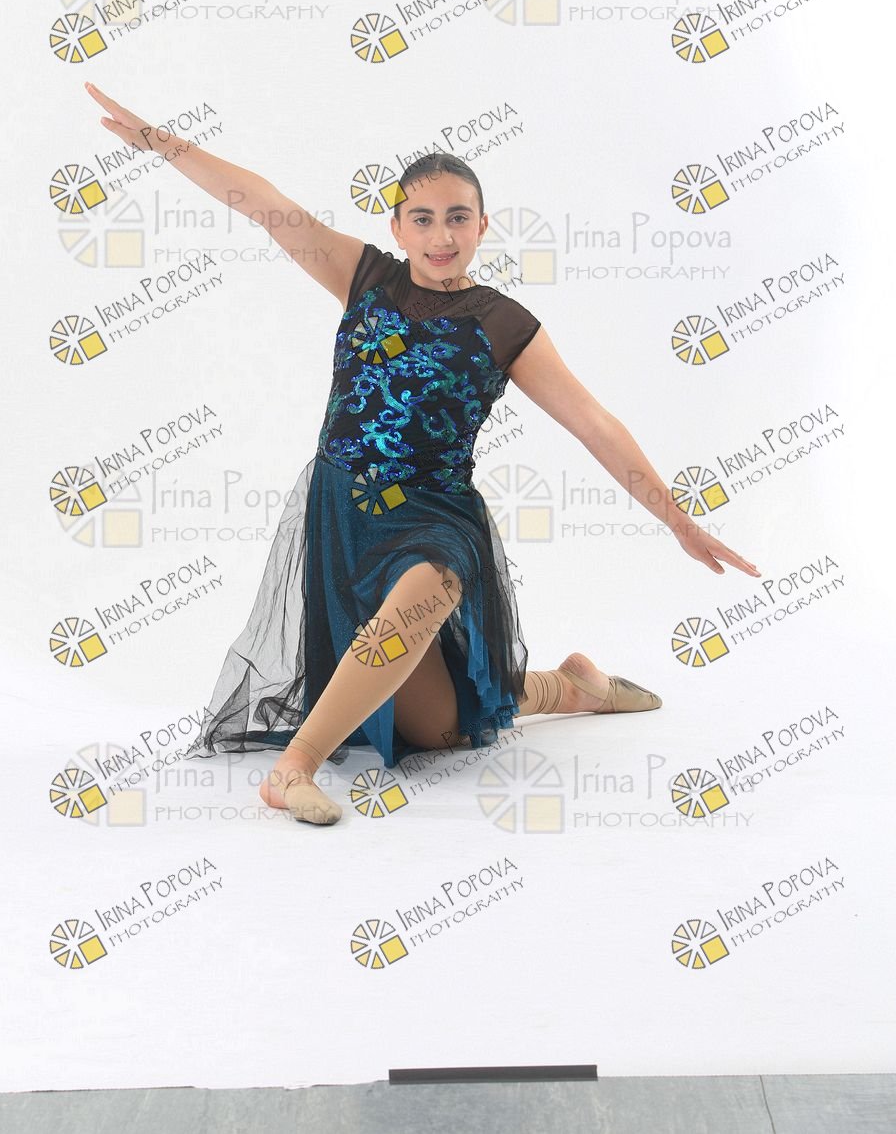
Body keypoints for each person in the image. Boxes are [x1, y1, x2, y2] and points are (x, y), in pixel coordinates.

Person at [85, 82, 762, 828]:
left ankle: (294, 769)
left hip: (436, 515)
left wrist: (677, 520)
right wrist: (159, 142)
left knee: (430, 582)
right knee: (436, 730)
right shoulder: (364, 278)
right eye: (424, 218)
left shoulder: (505, 324)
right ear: (399, 228)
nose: (442, 235)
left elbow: (593, 423)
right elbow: (263, 203)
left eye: (458, 217)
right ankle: (571, 687)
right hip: (345, 511)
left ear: (482, 225)